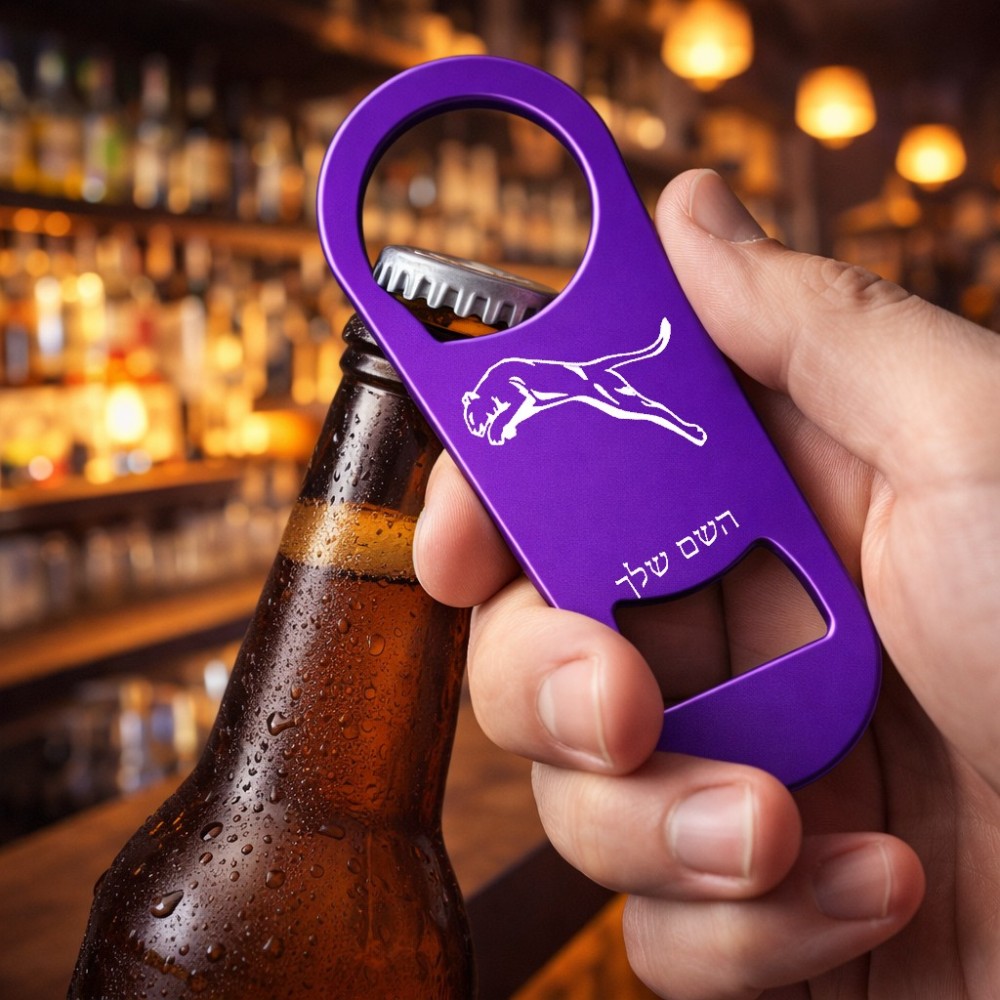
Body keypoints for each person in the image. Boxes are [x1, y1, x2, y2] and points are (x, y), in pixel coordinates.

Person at [411, 168, 1000, 999]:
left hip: (892, 704)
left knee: (630, 413)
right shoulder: (493, 393)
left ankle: (681, 424)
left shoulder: (508, 384)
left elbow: (517, 407)